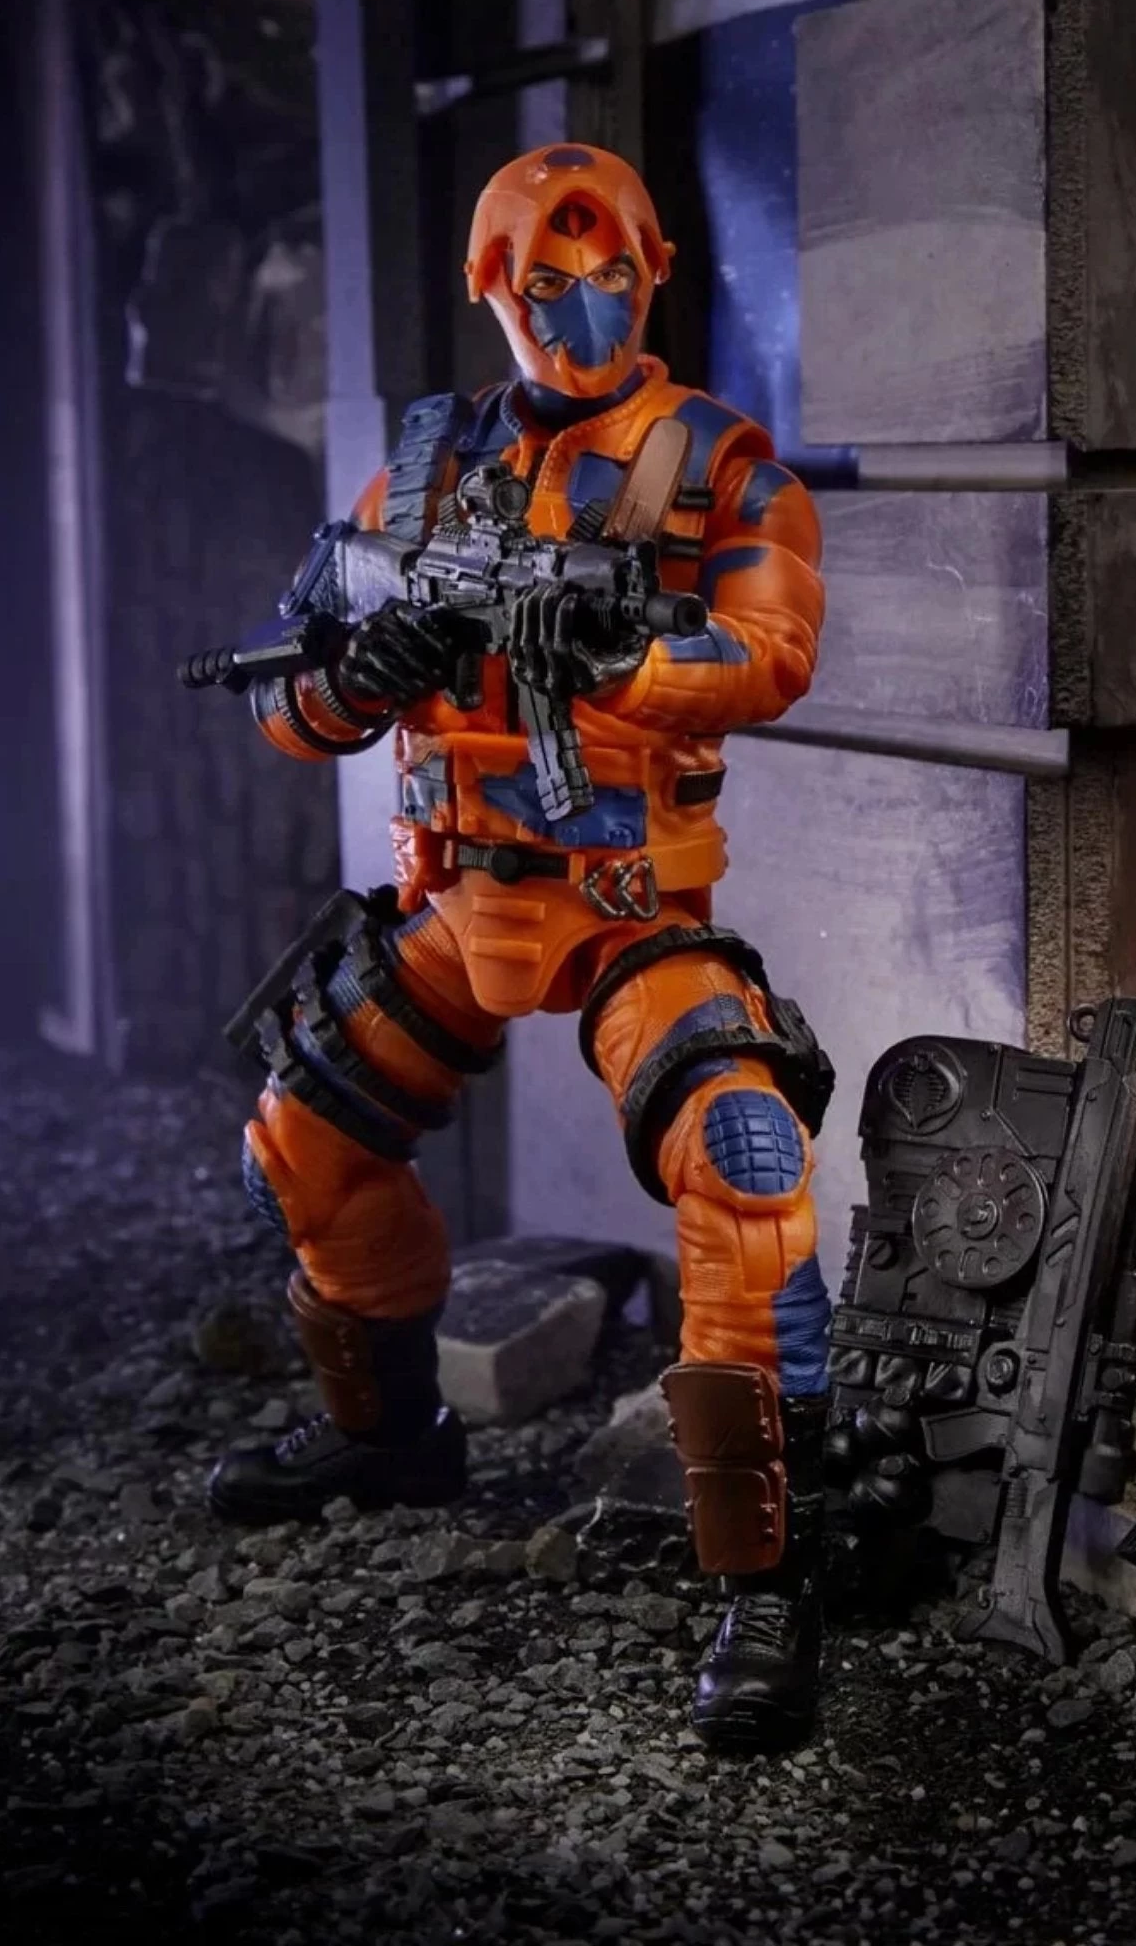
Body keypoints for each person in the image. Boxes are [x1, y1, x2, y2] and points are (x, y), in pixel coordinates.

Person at [204, 143, 832, 1752]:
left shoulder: (721, 466)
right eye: (547, 283)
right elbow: (287, 693)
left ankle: (766, 1577)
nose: (583, 307)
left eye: (609, 272)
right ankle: (392, 1433)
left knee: (745, 1161)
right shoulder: (419, 478)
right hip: (458, 900)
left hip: (628, 913)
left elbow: (774, 652)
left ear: (655, 268)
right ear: (495, 291)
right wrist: (366, 675)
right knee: (300, 1145)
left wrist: (622, 648)